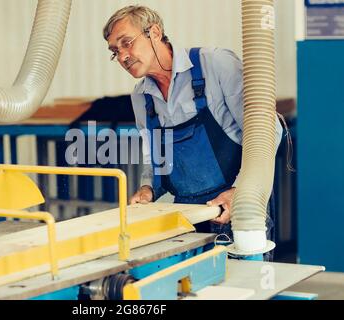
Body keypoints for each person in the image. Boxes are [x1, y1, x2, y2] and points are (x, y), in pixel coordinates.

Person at [103, 5, 283, 260]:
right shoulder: (141, 97)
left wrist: (240, 192)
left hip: (240, 206)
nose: (122, 56)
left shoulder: (214, 65)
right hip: (187, 217)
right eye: (115, 51)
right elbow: (154, 156)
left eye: (127, 43)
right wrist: (148, 188)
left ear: (154, 32)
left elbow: (268, 130)